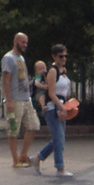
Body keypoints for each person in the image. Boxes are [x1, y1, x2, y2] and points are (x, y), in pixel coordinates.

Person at [1, 33, 39, 168]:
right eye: (23, 42)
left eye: (26, 43)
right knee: (13, 130)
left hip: (26, 98)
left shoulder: (21, 58)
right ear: (15, 41)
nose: (25, 45)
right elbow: (5, 80)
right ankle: (15, 159)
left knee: (34, 126)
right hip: (15, 100)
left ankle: (23, 155)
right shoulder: (8, 58)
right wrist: (9, 100)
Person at [37, 43, 75, 176]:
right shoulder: (52, 71)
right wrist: (61, 107)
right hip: (53, 108)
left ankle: (38, 158)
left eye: (65, 56)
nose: (64, 59)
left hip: (62, 106)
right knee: (59, 139)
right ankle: (60, 168)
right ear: (54, 56)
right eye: (61, 56)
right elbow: (51, 93)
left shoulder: (63, 71)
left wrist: (66, 106)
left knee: (59, 139)